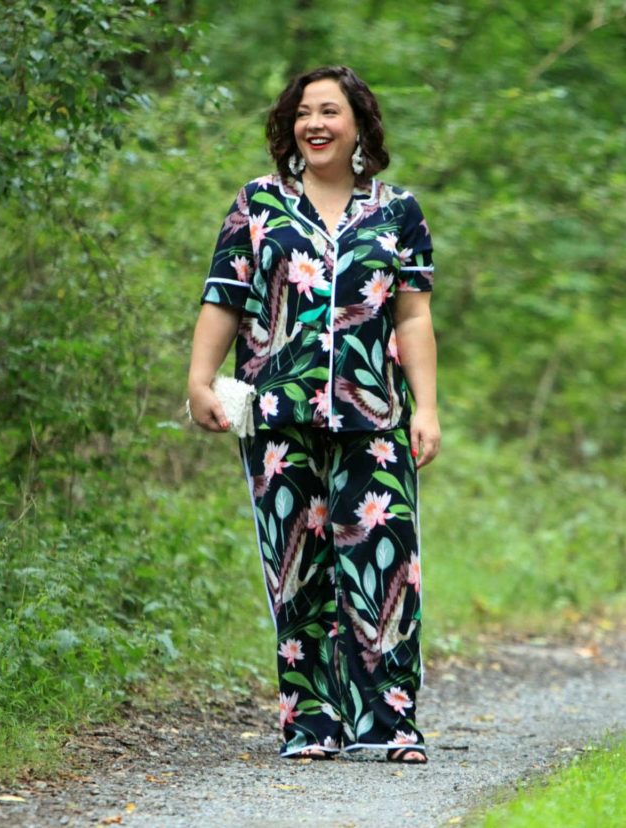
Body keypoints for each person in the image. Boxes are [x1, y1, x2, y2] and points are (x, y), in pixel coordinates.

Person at [187, 65, 440, 763]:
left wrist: (429, 408)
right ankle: (311, 724)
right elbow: (223, 297)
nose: (316, 124)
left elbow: (413, 317)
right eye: (304, 113)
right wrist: (200, 378)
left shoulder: (399, 211)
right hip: (277, 415)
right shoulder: (257, 205)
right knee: (296, 568)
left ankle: (391, 723)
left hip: (375, 416)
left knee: (385, 569)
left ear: (359, 122)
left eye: (330, 110)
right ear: (290, 126)